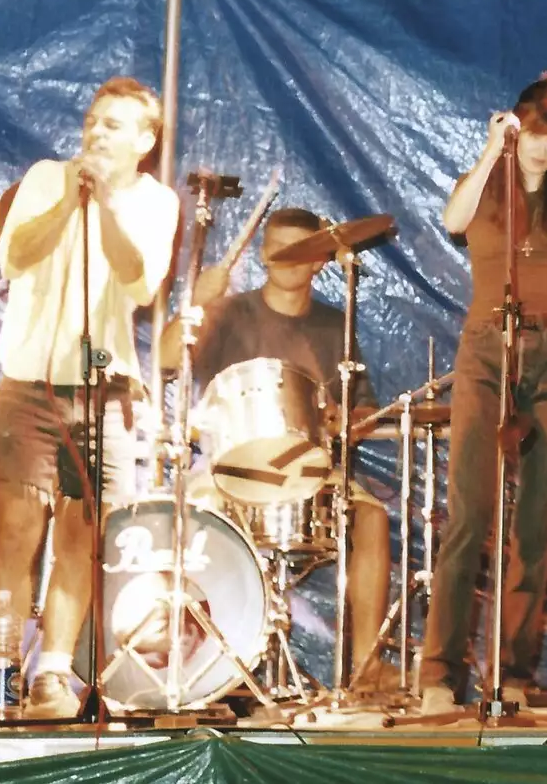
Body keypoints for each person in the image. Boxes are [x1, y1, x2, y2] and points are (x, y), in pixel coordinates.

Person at [418, 72, 547, 716]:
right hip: (486, 345)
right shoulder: (487, 188)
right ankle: (440, 674)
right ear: (517, 128)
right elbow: (452, 220)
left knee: (536, 522)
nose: (544, 149)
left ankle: (512, 671)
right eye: (535, 135)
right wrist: (491, 147)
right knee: (470, 514)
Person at [0, 77, 180, 719]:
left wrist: (108, 203)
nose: (96, 132)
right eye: (94, 120)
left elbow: (140, 282)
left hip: (106, 386)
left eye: (115, 125)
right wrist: (72, 198)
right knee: (15, 533)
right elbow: (14, 258)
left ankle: (52, 672)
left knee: (82, 536)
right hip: (32, 380)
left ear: (145, 142)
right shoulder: (47, 177)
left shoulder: (157, 202)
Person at [157, 205, 396, 689]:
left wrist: (342, 419)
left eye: (298, 252)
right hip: (228, 466)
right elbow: (165, 359)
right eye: (275, 250)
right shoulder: (229, 312)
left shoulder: (335, 324)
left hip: (308, 470)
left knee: (371, 515)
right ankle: (204, 664)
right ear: (263, 255)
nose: (284, 259)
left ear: (320, 261)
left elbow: (361, 409)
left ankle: (366, 666)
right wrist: (196, 304)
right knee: (193, 513)